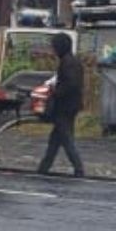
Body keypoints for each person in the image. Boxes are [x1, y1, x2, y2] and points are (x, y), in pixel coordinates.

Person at [37, 32, 85, 177]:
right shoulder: (72, 61)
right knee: (56, 138)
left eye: (54, 46)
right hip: (71, 106)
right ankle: (44, 167)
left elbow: (71, 84)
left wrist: (55, 92)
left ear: (60, 47)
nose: (53, 50)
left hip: (65, 107)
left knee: (66, 138)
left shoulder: (67, 63)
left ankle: (79, 168)